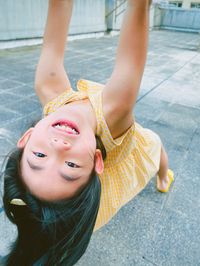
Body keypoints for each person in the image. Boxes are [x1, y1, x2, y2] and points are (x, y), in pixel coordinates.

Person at [2, 0, 174, 265]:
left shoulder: (48, 88)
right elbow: (139, 8)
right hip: (131, 146)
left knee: (71, 214)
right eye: (70, 165)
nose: (58, 146)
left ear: (26, 137)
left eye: (39, 155)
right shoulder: (115, 111)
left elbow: (59, 5)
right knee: (156, 145)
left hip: (96, 163)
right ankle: (164, 178)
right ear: (96, 160)